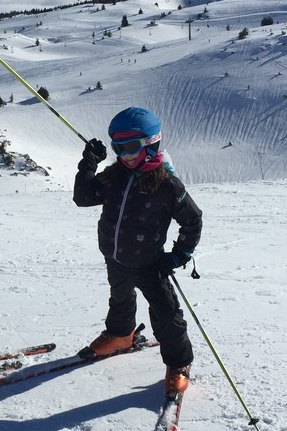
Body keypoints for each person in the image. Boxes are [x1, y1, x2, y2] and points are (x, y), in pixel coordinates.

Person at [73, 107, 203, 394]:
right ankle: (120, 334)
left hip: (149, 263)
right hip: (115, 255)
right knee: (119, 297)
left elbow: (192, 219)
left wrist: (180, 255)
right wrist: (89, 162)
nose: (124, 155)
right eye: (116, 147)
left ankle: (179, 363)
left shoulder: (167, 184)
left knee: (165, 314)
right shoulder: (116, 174)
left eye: (130, 146)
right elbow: (83, 197)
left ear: (150, 143)